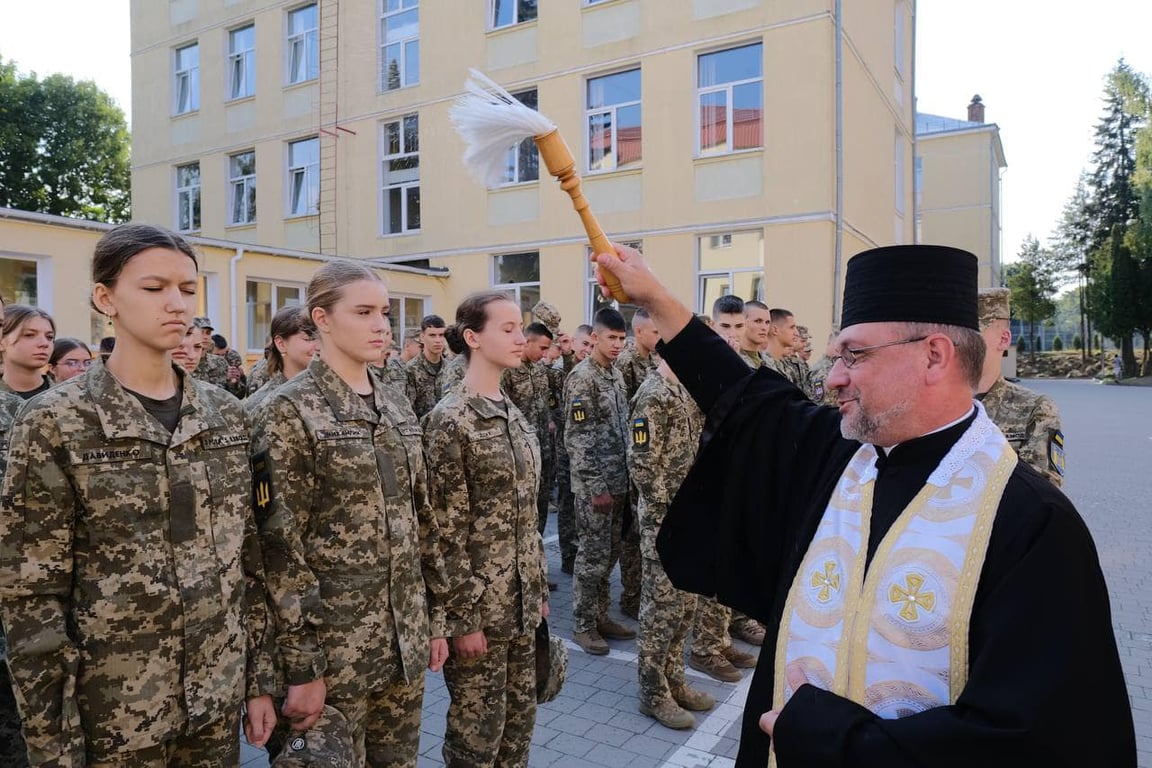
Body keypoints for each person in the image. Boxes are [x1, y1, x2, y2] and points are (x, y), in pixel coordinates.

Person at [592, 242, 1135, 767]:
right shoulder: (840, 455)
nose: (832, 378)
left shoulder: (1033, 524)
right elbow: (744, 395)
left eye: (854, 354)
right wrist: (654, 297)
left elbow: (1036, 740)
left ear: (934, 356)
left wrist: (831, 741)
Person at [0, 223, 276, 765]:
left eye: (188, 290)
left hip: (214, 700)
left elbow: (254, 554)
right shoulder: (57, 420)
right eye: (154, 289)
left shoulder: (228, 415)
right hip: (111, 712)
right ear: (106, 299)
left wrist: (260, 675)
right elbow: (32, 592)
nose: (177, 305)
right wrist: (51, 737)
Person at [250, 260, 449, 766]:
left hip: (400, 641)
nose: (382, 324)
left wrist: (434, 617)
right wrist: (301, 666)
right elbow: (276, 550)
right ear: (322, 319)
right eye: (363, 312)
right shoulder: (287, 411)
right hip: (332, 655)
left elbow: (421, 519)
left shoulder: (397, 404)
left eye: (383, 311)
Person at [423, 292, 549, 768]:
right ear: (473, 338)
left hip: (520, 606)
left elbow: (526, 518)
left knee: (518, 731)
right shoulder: (449, 421)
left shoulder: (512, 413)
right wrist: (461, 618)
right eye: (509, 329)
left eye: (522, 328)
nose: (522, 338)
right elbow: (442, 533)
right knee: (476, 742)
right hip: (480, 614)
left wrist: (536, 589)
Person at [629, 358, 715, 729]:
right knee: (661, 610)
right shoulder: (652, 394)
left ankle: (674, 678)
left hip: (689, 515)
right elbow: (642, 461)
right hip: (664, 521)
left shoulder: (686, 391)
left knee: (684, 606)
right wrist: (667, 516)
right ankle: (652, 691)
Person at [564, 307, 636, 655]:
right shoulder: (582, 378)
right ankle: (583, 625)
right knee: (591, 557)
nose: (618, 345)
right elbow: (577, 437)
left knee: (609, 556)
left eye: (622, 339)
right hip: (597, 487)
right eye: (612, 338)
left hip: (619, 481)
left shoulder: (615, 375)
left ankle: (601, 615)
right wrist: (595, 486)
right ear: (594, 337)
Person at [975, 287, 1064, 486]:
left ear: (1004, 339)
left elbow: (1043, 489)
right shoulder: (935, 406)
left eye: (975, 334)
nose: (963, 343)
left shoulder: (1036, 408)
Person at [501, 322, 554, 535]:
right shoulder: (508, 371)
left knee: (541, 506)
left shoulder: (540, 370)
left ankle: (538, 550)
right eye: (542, 348)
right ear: (528, 341)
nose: (545, 354)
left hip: (542, 449)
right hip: (519, 453)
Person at [553, 323, 593, 574]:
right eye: (584, 344)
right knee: (568, 502)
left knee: (583, 504)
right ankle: (568, 554)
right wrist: (567, 356)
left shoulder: (592, 371)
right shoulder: (562, 370)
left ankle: (580, 551)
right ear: (574, 343)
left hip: (585, 450)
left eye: (591, 344)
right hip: (566, 448)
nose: (587, 349)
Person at [246, 305, 317, 414]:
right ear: (281, 344)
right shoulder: (262, 404)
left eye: (321, 338)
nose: (318, 346)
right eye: (308, 339)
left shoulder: (333, 391)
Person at [0, 305, 56, 398]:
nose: (44, 343)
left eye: (49, 337)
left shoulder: (71, 398)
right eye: (29, 335)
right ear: (1, 342)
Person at [406, 314, 447, 418]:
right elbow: (408, 411)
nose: (438, 340)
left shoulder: (451, 368)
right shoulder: (411, 369)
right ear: (422, 337)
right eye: (432, 335)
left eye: (441, 335)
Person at [191, 316, 230, 389]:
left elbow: (232, 393)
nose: (205, 337)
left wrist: (234, 382)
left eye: (208, 333)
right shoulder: (184, 362)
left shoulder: (219, 362)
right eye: (201, 332)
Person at [211, 333, 249, 398]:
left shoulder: (232, 360)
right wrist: (224, 378)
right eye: (217, 355)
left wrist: (238, 379)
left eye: (223, 354)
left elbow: (239, 395)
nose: (221, 359)